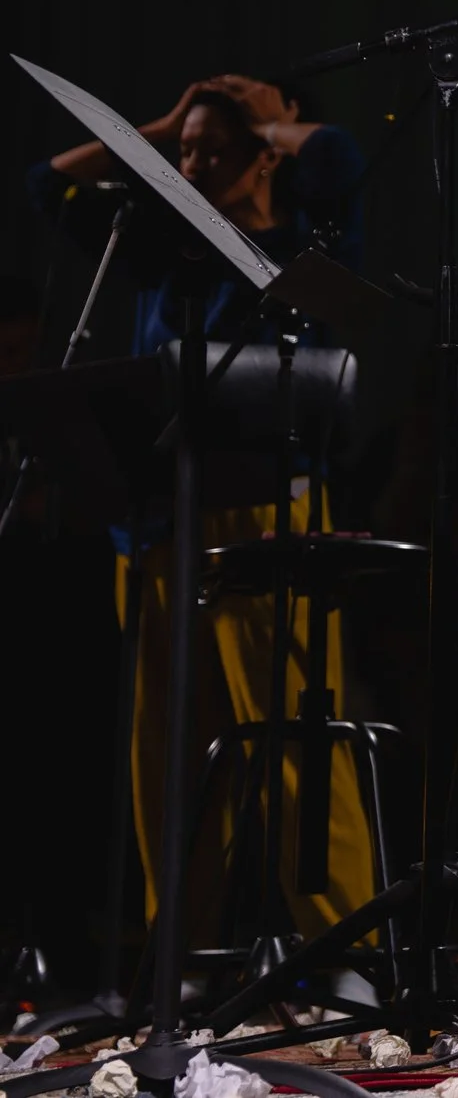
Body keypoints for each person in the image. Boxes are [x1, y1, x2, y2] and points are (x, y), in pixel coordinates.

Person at [27, 74, 374, 935]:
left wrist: (265, 125)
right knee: (170, 759)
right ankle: (175, 961)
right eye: (184, 150)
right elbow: (48, 181)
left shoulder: (305, 240)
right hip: (155, 518)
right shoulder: (155, 246)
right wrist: (160, 124)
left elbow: (338, 154)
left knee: (297, 737)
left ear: (264, 153)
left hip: (266, 515)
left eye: (216, 147)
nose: (191, 161)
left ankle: (344, 946)